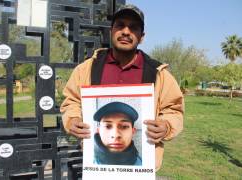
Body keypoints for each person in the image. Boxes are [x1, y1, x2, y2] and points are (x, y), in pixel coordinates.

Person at [60, 4, 184, 171]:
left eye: (133, 27)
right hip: (97, 171)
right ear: (112, 31)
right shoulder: (87, 69)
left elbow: (174, 110)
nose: (126, 31)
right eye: (120, 25)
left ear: (142, 37)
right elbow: (72, 101)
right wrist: (73, 120)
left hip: (142, 171)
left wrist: (166, 126)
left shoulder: (159, 74)